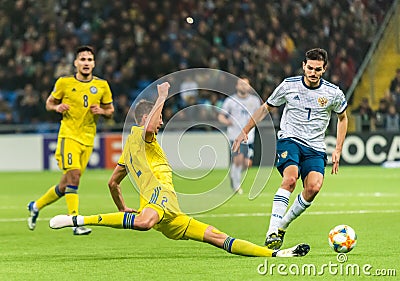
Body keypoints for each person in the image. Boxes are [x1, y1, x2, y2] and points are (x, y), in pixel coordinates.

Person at [49, 82, 310, 258]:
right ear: (146, 117)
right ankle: (77, 220)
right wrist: (161, 96)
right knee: (143, 222)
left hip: (171, 214)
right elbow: (150, 127)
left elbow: (112, 184)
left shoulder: (129, 150)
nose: (162, 121)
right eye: (160, 116)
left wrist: (121, 208)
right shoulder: (142, 133)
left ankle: (276, 254)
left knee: (217, 237)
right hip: (159, 199)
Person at [233, 48, 348, 250]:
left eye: (317, 69)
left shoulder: (333, 93)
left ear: (324, 69)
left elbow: (343, 118)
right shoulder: (289, 85)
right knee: (291, 178)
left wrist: (338, 148)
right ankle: (271, 231)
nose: (313, 73)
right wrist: (245, 130)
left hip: (315, 147)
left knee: (313, 188)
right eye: (310, 68)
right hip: (290, 139)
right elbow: (265, 108)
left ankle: (282, 226)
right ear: (304, 66)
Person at [27, 45, 115, 235]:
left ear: (94, 64)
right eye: (82, 59)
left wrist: (102, 111)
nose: (86, 63)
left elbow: (110, 111)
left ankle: (36, 206)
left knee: (66, 184)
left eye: (89, 60)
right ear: (75, 63)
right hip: (68, 136)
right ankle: (75, 222)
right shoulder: (64, 83)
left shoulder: (102, 85)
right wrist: (56, 108)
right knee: (74, 175)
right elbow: (49, 103)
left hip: (88, 139)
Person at [218, 77, 261, 194]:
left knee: (247, 164)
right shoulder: (230, 101)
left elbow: (259, 114)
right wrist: (227, 122)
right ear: (237, 86)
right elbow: (221, 116)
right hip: (235, 136)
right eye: (241, 84)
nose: (243, 86)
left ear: (249, 87)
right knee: (238, 160)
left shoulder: (254, 101)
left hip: (249, 136)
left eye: (245, 84)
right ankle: (236, 186)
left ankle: (233, 173)